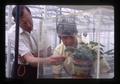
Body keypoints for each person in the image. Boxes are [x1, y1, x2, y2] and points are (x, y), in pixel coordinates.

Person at [7, 5, 65, 79]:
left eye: (29, 20)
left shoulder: (40, 25)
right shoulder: (13, 33)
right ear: (16, 22)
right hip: (22, 69)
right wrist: (49, 60)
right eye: (24, 23)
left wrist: (32, 55)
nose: (29, 25)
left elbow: (48, 50)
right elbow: (30, 60)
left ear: (31, 14)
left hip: (38, 67)